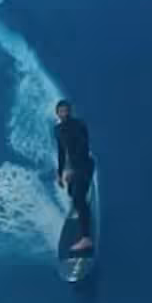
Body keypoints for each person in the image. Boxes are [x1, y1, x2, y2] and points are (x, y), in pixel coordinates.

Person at [53, 98, 94, 253]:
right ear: (57, 113)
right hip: (74, 167)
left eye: (66, 110)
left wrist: (73, 170)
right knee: (71, 192)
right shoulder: (58, 129)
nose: (64, 113)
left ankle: (86, 239)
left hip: (84, 165)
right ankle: (82, 206)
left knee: (78, 198)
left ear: (70, 111)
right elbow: (61, 152)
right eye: (61, 111)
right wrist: (60, 173)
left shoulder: (78, 125)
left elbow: (83, 147)